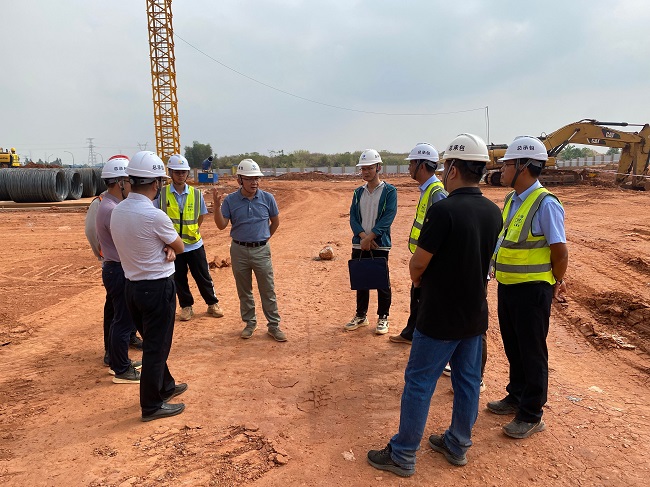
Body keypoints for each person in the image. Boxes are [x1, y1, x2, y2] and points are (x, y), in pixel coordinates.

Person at [367, 134, 502, 477]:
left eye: (446, 167)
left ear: (453, 169)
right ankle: (457, 444)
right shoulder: (493, 211)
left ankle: (403, 453)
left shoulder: (443, 211)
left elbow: (418, 264)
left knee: (419, 382)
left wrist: (418, 281)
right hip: (475, 313)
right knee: (468, 381)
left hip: (440, 315)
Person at [487, 136, 568, 439]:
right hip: (509, 286)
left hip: (533, 290)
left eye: (507, 164)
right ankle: (516, 395)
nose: (502, 169)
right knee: (514, 345)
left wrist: (557, 281)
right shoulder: (512, 199)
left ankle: (532, 413)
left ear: (523, 166)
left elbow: (560, 251)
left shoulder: (546, 204)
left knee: (532, 351)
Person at [111, 151, 187, 422]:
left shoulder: (118, 212)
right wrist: (169, 247)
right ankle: (152, 405)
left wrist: (165, 247)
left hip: (132, 287)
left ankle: (165, 386)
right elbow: (180, 246)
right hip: (157, 289)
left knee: (154, 342)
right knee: (157, 347)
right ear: (156, 183)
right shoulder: (155, 216)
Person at [212, 159, 287, 342]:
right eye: (250, 179)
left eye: (256, 178)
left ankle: (274, 326)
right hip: (239, 251)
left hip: (261, 250)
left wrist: (264, 238)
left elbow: (275, 222)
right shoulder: (230, 201)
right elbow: (221, 225)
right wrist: (216, 207)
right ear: (239, 180)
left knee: (267, 290)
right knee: (244, 290)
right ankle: (250, 323)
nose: (254, 182)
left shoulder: (268, 198)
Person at [389, 143, 446, 344]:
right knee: (417, 296)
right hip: (424, 255)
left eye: (412, 163)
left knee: (425, 299)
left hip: (430, 258)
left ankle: (420, 337)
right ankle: (411, 333)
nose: (409, 167)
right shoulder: (428, 190)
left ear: (422, 166)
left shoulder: (436, 192)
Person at [156, 154, 224, 322]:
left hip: (194, 244)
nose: (181, 175)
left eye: (183, 172)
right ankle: (186, 306)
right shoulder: (162, 195)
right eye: (177, 172)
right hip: (174, 246)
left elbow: (200, 218)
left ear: (187, 173)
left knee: (203, 276)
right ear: (170, 173)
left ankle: (212, 303)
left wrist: (191, 231)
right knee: (179, 278)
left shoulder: (196, 194)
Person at [96, 155, 143, 383]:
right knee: (123, 321)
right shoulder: (112, 210)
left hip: (114, 268)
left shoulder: (108, 204)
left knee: (120, 319)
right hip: (118, 269)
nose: (132, 185)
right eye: (129, 180)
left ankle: (118, 362)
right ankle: (121, 369)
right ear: (120, 182)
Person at [345, 149, 397, 335]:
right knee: (361, 280)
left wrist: (371, 237)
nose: (366, 172)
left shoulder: (389, 191)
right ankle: (361, 315)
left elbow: (388, 216)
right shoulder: (358, 192)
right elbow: (353, 217)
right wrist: (362, 237)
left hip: (379, 244)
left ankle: (383, 317)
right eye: (363, 168)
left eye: (370, 168)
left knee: (382, 282)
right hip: (360, 243)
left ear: (378, 168)